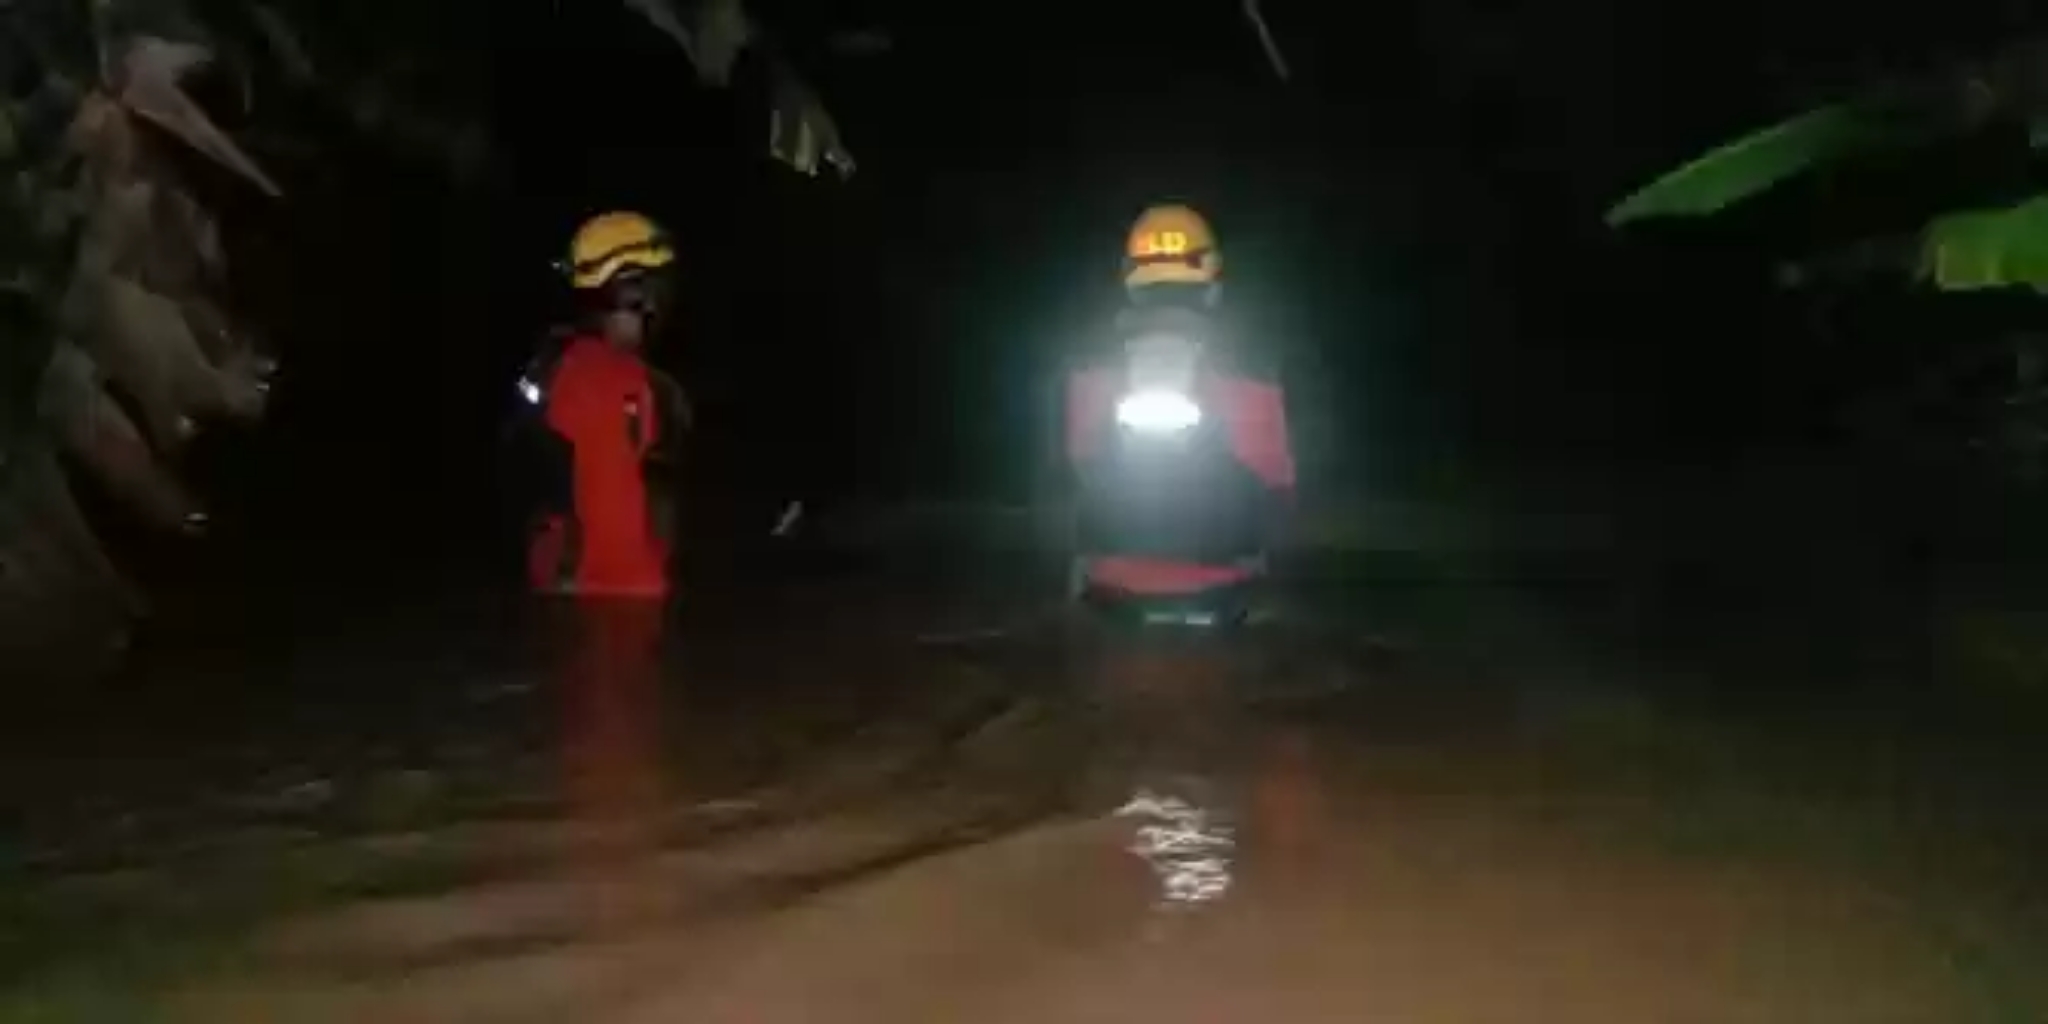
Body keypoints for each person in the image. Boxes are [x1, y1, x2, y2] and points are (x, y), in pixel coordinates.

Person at [1064, 202, 1296, 618]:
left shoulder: (1089, 365)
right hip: (1225, 592)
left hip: (1109, 591)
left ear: (1131, 279)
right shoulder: (1251, 365)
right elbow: (1277, 482)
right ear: (1212, 281)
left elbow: (1078, 467)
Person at [521, 210, 691, 599]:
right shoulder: (637, 386)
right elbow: (641, 523)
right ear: (632, 295)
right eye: (656, 294)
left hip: (564, 598)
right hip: (619, 600)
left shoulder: (555, 369)